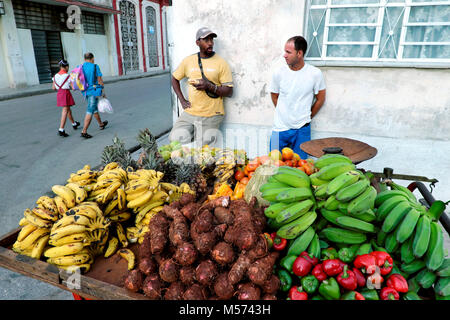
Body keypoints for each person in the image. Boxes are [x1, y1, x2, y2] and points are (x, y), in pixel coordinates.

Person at [170, 27, 233, 148]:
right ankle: (200, 134)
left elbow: (229, 91)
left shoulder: (221, 63)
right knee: (175, 138)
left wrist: (208, 86)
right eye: (206, 40)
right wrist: (182, 100)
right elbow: (174, 78)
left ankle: (204, 138)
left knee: (204, 152)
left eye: (211, 40)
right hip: (191, 111)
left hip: (212, 113)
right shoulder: (188, 61)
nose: (210, 43)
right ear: (197, 42)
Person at [269, 36, 326, 159]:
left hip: (302, 129)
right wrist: (284, 114)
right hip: (279, 128)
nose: (284, 55)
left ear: (299, 53)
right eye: (285, 51)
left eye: (288, 52)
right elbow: (274, 95)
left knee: (299, 169)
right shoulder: (278, 73)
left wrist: (308, 116)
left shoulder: (315, 74)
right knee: (273, 166)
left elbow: (320, 98)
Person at [80, 52, 108, 139]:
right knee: (90, 110)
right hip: (94, 91)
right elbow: (99, 80)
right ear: (92, 58)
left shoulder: (81, 67)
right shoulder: (95, 66)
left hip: (85, 91)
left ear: (85, 59)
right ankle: (84, 131)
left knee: (94, 108)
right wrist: (103, 92)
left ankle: (101, 124)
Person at [52, 59, 80, 137]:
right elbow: (73, 88)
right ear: (66, 67)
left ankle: (74, 124)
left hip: (59, 93)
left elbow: (53, 88)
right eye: (68, 67)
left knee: (68, 110)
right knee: (65, 110)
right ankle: (61, 129)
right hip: (66, 93)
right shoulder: (68, 76)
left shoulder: (55, 76)